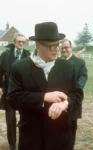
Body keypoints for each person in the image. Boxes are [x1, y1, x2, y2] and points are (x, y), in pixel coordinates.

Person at [7, 22, 83, 150]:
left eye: (57, 44)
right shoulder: (19, 67)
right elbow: (13, 99)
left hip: (61, 137)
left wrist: (65, 103)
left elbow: (77, 94)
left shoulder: (68, 67)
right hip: (31, 138)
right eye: (51, 46)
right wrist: (43, 97)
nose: (56, 49)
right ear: (38, 46)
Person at [0, 33, 30, 150]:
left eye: (23, 41)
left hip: (24, 91)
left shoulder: (28, 55)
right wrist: (0, 86)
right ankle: (12, 144)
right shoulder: (5, 55)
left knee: (25, 117)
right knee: (10, 118)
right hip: (9, 91)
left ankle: (24, 142)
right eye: (19, 41)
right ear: (14, 42)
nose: (21, 43)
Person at [60, 39, 88, 148]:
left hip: (73, 99)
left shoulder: (79, 62)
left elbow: (83, 77)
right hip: (59, 99)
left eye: (66, 47)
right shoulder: (56, 61)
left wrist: (76, 90)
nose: (64, 49)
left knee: (71, 127)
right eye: (62, 48)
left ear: (71, 48)